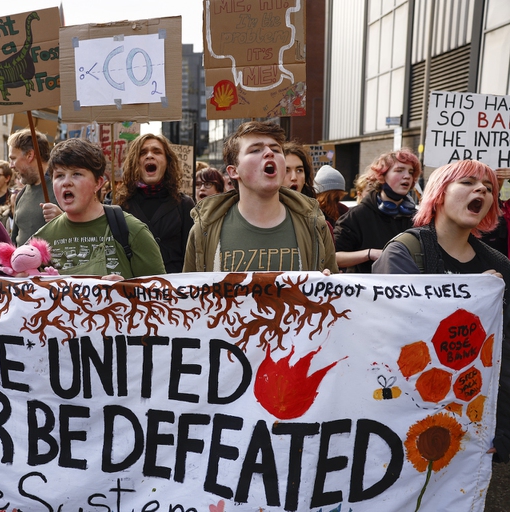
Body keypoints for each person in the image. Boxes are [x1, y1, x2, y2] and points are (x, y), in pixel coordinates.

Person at [372, 159, 510, 465]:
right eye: (468, 183)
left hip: (467, 423)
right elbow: (394, 333)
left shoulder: (500, 266)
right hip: (405, 418)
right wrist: (471, 297)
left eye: (489, 188)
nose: (481, 191)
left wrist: (502, 432)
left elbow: (505, 353)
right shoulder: (405, 251)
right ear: (440, 193)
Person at [183, 121, 338, 273]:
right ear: (233, 171)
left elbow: (336, 293)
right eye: (255, 150)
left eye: (276, 150)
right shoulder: (205, 228)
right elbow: (189, 293)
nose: (269, 153)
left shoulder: (314, 224)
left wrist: (326, 286)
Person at [32, 138, 165, 278]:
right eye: (59, 175)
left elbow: (162, 293)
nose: (66, 182)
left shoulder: (133, 231)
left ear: (98, 183)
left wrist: (127, 291)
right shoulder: (40, 241)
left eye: (77, 174)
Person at [113, 133, 194, 273]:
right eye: (143, 152)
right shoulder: (119, 205)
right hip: (135, 289)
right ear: (134, 162)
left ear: (167, 161)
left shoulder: (184, 204)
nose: (150, 156)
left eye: (157, 151)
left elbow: (191, 256)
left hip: (172, 289)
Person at [333, 148, 421, 272]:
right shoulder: (357, 216)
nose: (407, 176)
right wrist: (369, 254)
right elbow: (333, 257)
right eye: (399, 170)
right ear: (382, 176)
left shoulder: (418, 218)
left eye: (411, 172)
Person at [8, 129, 61, 246]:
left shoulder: (62, 188)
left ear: (30, 155)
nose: (11, 166)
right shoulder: (21, 195)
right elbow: (14, 242)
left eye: (13, 158)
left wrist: (62, 219)